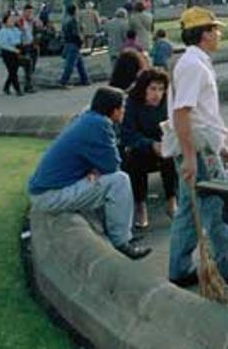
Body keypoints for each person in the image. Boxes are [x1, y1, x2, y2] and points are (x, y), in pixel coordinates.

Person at [162, 7, 228, 287]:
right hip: (198, 150)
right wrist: (191, 157)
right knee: (217, 206)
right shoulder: (193, 66)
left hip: (201, 147)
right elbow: (182, 114)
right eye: (215, 29)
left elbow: (200, 114)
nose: (219, 34)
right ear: (204, 34)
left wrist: (221, 147)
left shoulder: (192, 62)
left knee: (190, 211)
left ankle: (179, 268)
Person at [28, 87, 151, 259]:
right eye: (122, 107)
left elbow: (100, 162)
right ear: (114, 110)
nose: (124, 111)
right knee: (119, 181)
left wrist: (96, 168)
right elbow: (113, 165)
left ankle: (117, 233)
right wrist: (98, 167)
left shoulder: (88, 118)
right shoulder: (100, 125)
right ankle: (122, 242)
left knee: (111, 180)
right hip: (50, 196)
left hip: (46, 192)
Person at [121, 68, 177, 229]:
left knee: (170, 155)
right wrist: (150, 144)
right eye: (152, 89)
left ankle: (172, 200)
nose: (157, 94)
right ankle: (140, 204)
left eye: (161, 89)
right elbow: (128, 135)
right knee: (136, 159)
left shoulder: (167, 103)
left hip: (162, 145)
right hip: (140, 148)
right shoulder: (132, 103)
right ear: (143, 88)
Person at [58, 4, 90, 88]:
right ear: (75, 11)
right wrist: (81, 41)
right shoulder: (73, 20)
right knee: (70, 64)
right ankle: (63, 81)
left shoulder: (65, 19)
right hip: (74, 43)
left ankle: (85, 79)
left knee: (79, 63)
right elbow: (75, 33)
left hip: (68, 42)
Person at [0, 12, 24, 97]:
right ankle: (18, 90)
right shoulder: (3, 31)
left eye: (13, 20)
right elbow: (3, 44)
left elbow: (20, 37)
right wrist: (14, 50)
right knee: (12, 72)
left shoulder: (15, 29)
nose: (12, 21)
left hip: (17, 50)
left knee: (13, 71)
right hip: (8, 52)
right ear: (5, 22)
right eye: (10, 20)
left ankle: (6, 87)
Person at [19, 3, 40, 93]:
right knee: (28, 65)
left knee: (32, 66)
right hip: (24, 46)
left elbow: (38, 31)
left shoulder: (33, 21)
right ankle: (28, 86)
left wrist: (37, 24)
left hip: (33, 45)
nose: (29, 14)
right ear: (24, 12)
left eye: (31, 12)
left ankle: (28, 84)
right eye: (28, 12)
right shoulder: (20, 21)